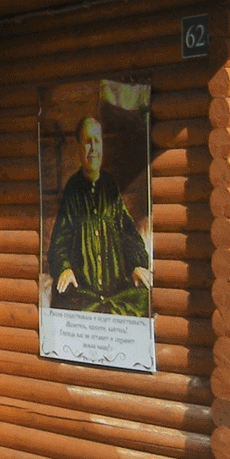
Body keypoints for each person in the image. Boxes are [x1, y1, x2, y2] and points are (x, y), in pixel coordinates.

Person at [44, 115, 152, 315]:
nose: (93, 149)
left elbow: (129, 234)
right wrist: (65, 268)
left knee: (143, 298)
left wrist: (137, 265)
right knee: (65, 299)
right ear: (78, 148)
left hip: (116, 290)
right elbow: (58, 244)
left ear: (102, 144)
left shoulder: (111, 187)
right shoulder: (72, 190)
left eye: (97, 141)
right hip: (85, 292)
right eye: (87, 142)